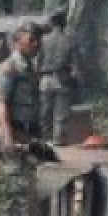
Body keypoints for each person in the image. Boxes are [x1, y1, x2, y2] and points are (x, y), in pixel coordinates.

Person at [0, 21, 42, 150]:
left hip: (30, 133)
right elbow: (1, 104)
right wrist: (7, 137)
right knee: (14, 169)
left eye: (37, 40)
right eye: (31, 40)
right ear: (17, 41)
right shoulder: (9, 67)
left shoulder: (29, 67)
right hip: (15, 135)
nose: (36, 44)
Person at [38, 9, 80, 143]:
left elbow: (37, 63)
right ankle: (58, 139)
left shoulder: (43, 41)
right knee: (60, 113)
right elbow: (75, 66)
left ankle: (44, 138)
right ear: (64, 23)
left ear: (52, 23)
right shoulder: (70, 41)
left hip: (45, 79)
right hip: (62, 79)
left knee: (45, 112)